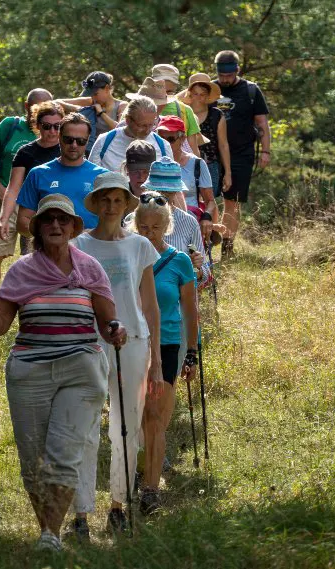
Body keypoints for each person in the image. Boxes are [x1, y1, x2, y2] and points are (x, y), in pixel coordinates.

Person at [0, 194, 127, 552]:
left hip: (81, 369)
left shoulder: (89, 268)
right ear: (38, 228)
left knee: (65, 453)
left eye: (63, 220)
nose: (56, 225)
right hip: (30, 371)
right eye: (48, 220)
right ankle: (48, 532)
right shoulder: (22, 270)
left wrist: (117, 332)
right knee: (33, 457)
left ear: (73, 227)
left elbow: (108, 324)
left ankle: (51, 536)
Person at [69, 172, 164, 538]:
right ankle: (80, 512)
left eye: (118, 200)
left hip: (134, 342)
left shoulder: (140, 244)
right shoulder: (79, 245)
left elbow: (150, 304)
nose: (111, 206)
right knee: (86, 426)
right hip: (90, 342)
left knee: (126, 427)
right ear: (96, 203)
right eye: (105, 200)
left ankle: (118, 505)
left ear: (127, 205)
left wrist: (155, 356)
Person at [132, 191, 198, 515]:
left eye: (155, 227)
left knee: (157, 417)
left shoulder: (180, 262)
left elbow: (191, 310)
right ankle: (137, 469)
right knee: (138, 416)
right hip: (131, 342)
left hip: (169, 343)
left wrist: (193, 352)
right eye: (143, 226)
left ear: (166, 227)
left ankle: (150, 490)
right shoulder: (127, 256)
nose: (149, 233)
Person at [0, 88, 53, 287]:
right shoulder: (10, 126)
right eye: (37, 108)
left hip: (38, 205)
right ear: (27, 107)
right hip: (4, 199)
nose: (41, 114)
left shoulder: (55, 132)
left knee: (36, 258)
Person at [213, 50, 272, 259]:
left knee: (232, 201)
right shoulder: (210, 89)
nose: (225, 80)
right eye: (221, 76)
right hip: (212, 153)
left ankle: (228, 248)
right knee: (208, 198)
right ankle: (207, 244)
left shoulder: (250, 91)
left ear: (237, 70)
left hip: (241, 153)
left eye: (229, 76)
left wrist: (265, 151)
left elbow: (262, 122)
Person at [16, 113, 108, 235]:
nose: (74, 145)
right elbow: (23, 222)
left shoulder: (103, 177)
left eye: (80, 141)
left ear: (87, 141)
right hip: (50, 249)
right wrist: (52, 235)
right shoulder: (38, 174)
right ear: (59, 137)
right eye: (68, 140)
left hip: (92, 250)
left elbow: (113, 221)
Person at [125, 158, 210, 286]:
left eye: (168, 192)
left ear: (176, 191)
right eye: (158, 191)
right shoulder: (132, 219)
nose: (162, 197)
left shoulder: (188, 222)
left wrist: (196, 268)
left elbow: (202, 273)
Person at [0, 101, 65, 243]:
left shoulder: (70, 150)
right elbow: (13, 188)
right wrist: (4, 219)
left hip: (66, 215)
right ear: (38, 125)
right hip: (33, 217)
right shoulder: (25, 153)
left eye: (57, 126)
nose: (52, 131)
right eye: (47, 126)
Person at [155, 116, 218, 238]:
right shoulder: (153, 162)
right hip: (157, 221)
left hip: (189, 222)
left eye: (171, 139)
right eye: (161, 139)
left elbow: (210, 201)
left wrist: (207, 217)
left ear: (183, 139)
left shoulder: (197, 164)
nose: (165, 143)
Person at [179, 73, 232, 198]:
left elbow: (223, 144)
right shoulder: (182, 112)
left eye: (202, 94)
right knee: (188, 201)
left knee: (209, 201)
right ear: (189, 93)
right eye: (195, 93)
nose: (198, 97)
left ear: (208, 96)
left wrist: (228, 173)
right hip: (185, 163)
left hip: (210, 164)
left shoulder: (217, 115)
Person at [89, 94, 173, 172]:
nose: (147, 131)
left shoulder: (163, 147)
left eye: (151, 125)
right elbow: (92, 176)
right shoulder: (104, 141)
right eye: (142, 125)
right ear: (128, 120)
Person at [56, 71, 127, 150]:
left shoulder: (122, 105)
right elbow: (57, 102)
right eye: (91, 94)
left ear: (107, 88)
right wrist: (78, 109)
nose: (93, 98)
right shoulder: (91, 101)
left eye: (96, 94)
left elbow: (121, 130)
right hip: (93, 151)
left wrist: (101, 113)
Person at [151, 63, 204, 157]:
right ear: (152, 85)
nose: (164, 95)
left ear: (175, 88)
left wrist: (197, 169)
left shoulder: (185, 111)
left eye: (169, 92)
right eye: (160, 89)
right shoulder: (138, 107)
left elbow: (193, 150)